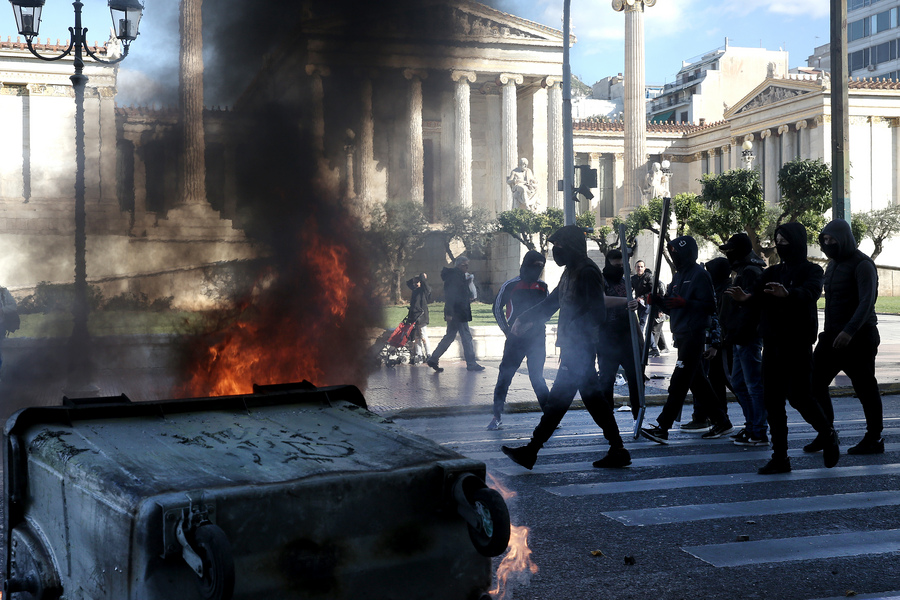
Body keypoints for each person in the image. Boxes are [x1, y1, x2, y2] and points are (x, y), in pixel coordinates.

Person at [501, 225, 630, 469]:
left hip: (580, 348)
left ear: (570, 246)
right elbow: (551, 303)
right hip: (573, 348)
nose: (554, 252)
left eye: (558, 247)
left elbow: (597, 312)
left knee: (560, 401)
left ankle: (533, 449)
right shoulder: (570, 271)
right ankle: (617, 448)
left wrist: (574, 337)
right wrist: (524, 318)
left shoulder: (588, 271)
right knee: (590, 400)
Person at [726, 222, 839, 474]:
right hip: (772, 341)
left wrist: (789, 294)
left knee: (800, 396)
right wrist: (746, 299)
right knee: (772, 400)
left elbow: (811, 292)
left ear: (797, 242)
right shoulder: (773, 271)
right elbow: (757, 295)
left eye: (785, 240)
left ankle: (828, 433)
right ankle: (780, 457)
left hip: (797, 342)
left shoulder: (812, 270)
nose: (780, 245)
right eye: (778, 240)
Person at [640, 235, 734, 444]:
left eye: (676, 252)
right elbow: (673, 308)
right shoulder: (678, 276)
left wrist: (686, 303)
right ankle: (722, 421)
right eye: (671, 253)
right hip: (681, 334)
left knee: (679, 381)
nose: (674, 256)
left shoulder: (700, 275)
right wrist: (658, 302)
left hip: (694, 334)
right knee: (698, 382)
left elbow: (710, 306)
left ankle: (663, 426)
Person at [811, 219, 882, 454]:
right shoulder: (832, 266)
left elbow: (866, 302)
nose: (828, 244)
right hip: (831, 336)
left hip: (859, 337)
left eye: (832, 240)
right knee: (813, 383)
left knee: (865, 388)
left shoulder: (863, 264)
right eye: (825, 240)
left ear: (845, 240)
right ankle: (826, 433)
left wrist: (849, 331)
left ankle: (874, 438)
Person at [488, 250, 551, 430]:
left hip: (537, 339)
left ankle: (550, 417)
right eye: (535, 266)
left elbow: (547, 311)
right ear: (525, 265)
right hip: (516, 340)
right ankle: (496, 416)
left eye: (541, 267)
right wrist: (508, 331)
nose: (537, 270)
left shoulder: (543, 286)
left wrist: (535, 324)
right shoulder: (511, 285)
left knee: (537, 378)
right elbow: (496, 309)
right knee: (505, 377)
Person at [719, 233, 767, 446]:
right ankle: (751, 426)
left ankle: (758, 431)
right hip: (738, 336)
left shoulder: (751, 271)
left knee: (753, 384)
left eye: (731, 250)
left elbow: (753, 305)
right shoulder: (743, 270)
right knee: (739, 382)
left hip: (748, 336)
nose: (728, 254)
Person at [597, 249, 643, 420]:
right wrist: (626, 301)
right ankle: (608, 420)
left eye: (622, 265)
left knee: (636, 379)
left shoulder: (625, 283)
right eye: (616, 265)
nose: (619, 268)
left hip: (627, 338)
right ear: (608, 262)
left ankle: (638, 417)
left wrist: (640, 338)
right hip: (607, 338)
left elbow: (632, 313)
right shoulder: (600, 280)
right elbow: (602, 301)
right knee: (606, 382)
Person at [426, 256, 485, 373]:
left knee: (450, 337)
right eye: (465, 265)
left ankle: (433, 358)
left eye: (468, 265)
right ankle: (471, 363)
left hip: (458, 311)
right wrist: (449, 313)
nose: (467, 267)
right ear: (459, 265)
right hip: (458, 312)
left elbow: (460, 293)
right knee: (466, 337)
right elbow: (450, 296)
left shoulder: (459, 276)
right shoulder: (455, 277)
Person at [632, 260, 668, 356]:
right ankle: (653, 348)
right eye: (638, 267)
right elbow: (629, 289)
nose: (639, 268)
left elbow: (654, 291)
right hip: (639, 305)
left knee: (641, 327)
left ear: (644, 268)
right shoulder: (634, 278)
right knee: (645, 328)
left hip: (647, 304)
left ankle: (643, 347)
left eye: (641, 266)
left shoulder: (648, 277)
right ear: (635, 268)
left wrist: (643, 297)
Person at [405, 272, 432, 365]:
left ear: (421, 282)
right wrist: (415, 278)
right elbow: (408, 283)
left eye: (418, 282)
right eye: (415, 282)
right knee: (417, 337)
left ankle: (429, 354)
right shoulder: (415, 290)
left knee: (423, 336)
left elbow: (426, 286)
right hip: (414, 317)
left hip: (422, 317)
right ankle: (419, 354)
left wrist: (422, 277)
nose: (416, 284)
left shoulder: (424, 291)